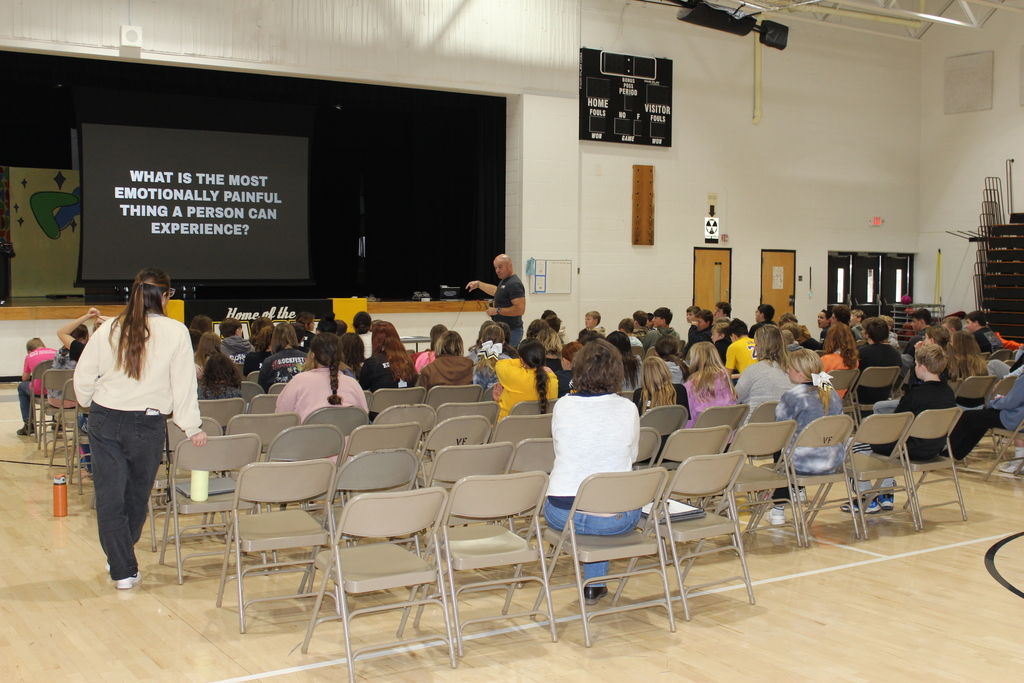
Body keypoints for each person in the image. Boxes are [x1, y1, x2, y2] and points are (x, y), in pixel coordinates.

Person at [73, 267, 206, 590]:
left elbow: (83, 375)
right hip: (146, 423)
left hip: (104, 418)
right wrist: (190, 426)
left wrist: (88, 400)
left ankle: (120, 558)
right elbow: (184, 383)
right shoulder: (176, 332)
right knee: (135, 496)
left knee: (109, 496)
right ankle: (122, 565)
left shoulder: (109, 329)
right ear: (164, 296)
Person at [545, 339, 640, 606]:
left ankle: (594, 585)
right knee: (610, 498)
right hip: (614, 519)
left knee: (590, 498)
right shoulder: (628, 408)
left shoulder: (563, 405)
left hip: (561, 514)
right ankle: (593, 586)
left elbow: (560, 451)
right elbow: (631, 458)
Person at [856, 344, 957, 513]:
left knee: (855, 445)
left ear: (923, 368)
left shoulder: (915, 394)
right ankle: (885, 494)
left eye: (916, 364)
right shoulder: (948, 392)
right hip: (934, 447)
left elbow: (896, 426)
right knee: (885, 448)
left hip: (909, 448)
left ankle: (866, 498)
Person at [767, 349, 844, 526]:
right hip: (832, 459)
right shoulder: (829, 390)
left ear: (800, 374)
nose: (787, 371)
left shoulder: (792, 396)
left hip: (802, 464)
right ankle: (798, 491)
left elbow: (781, 429)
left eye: (790, 368)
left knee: (781, 446)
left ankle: (779, 508)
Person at [276, 332, 368, 422]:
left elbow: (281, 416)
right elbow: (363, 417)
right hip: (344, 437)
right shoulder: (353, 383)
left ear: (312, 355)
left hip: (307, 437)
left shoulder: (298, 381)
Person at [949, 362, 1024, 469]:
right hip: (1019, 418)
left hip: (1014, 418)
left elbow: (1011, 403)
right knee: (982, 418)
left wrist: (994, 403)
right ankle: (957, 453)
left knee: (968, 417)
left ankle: (948, 452)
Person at [465, 254, 526, 346]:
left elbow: (520, 309)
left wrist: (497, 311)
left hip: (511, 332)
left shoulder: (514, 284)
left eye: (500, 267)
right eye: (496, 267)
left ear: (510, 265)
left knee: (506, 359)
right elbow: (496, 291)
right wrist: (479, 284)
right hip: (503, 331)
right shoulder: (505, 281)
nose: (497, 270)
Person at [735, 325, 791, 424]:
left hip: (751, 430)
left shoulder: (752, 371)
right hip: (783, 431)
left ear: (763, 346)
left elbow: (735, 399)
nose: (755, 349)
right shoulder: (794, 372)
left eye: (756, 345)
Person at [493, 338, 557, 420]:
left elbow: (500, 363)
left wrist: (524, 361)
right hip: (540, 430)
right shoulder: (552, 378)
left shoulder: (515, 375)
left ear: (522, 360)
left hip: (507, 429)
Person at [854, 317, 903, 410]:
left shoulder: (862, 352)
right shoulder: (896, 353)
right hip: (884, 393)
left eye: (863, 329)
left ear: (867, 333)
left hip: (862, 395)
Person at [684, 341, 736, 427]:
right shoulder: (727, 381)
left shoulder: (689, 387)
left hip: (700, 436)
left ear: (694, 360)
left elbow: (689, 422)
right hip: (726, 435)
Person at [359, 321, 417, 393]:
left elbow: (361, 389)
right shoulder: (408, 360)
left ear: (375, 339)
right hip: (409, 402)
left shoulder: (372, 363)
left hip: (382, 403)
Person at [17, 338, 57, 436]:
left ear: (30, 351)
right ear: (44, 346)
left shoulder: (30, 356)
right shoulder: (57, 353)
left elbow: (25, 378)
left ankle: (28, 424)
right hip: (57, 390)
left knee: (22, 387)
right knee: (56, 387)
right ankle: (57, 421)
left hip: (40, 390)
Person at [257, 323, 308, 392]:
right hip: (303, 400)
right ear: (294, 337)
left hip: (276, 400)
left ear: (274, 339)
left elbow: (262, 390)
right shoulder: (308, 358)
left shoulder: (268, 362)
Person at [946, 330, 990, 409]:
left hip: (959, 406)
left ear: (957, 345)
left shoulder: (952, 366)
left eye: (951, 341)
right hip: (980, 405)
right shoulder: (982, 364)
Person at [472, 325, 511, 392]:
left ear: (482, 341)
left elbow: (476, 391)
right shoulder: (510, 362)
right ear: (503, 342)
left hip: (484, 402)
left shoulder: (478, 363)